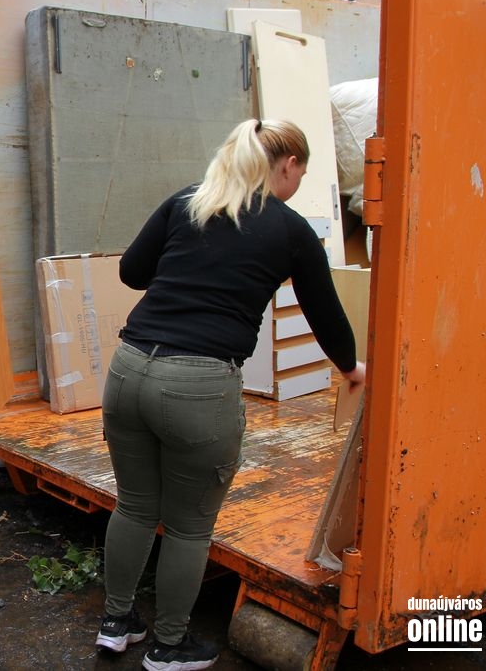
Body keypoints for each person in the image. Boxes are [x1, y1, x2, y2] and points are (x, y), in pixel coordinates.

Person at [95, 119, 366, 670]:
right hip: (197, 386)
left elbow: (131, 272)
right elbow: (326, 315)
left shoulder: (187, 202)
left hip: (129, 369)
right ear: (288, 164)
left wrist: (191, 266)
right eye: (301, 174)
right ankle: (170, 647)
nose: (297, 184)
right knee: (189, 525)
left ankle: (116, 623)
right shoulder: (290, 229)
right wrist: (351, 368)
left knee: (135, 506)